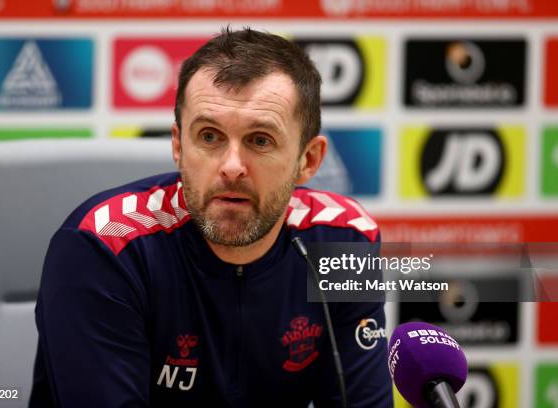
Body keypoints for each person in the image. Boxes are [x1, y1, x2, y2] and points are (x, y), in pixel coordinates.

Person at [29, 27, 392, 407]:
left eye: (260, 140)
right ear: (178, 146)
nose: (232, 167)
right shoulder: (104, 246)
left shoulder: (342, 241)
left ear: (309, 160)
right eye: (209, 137)